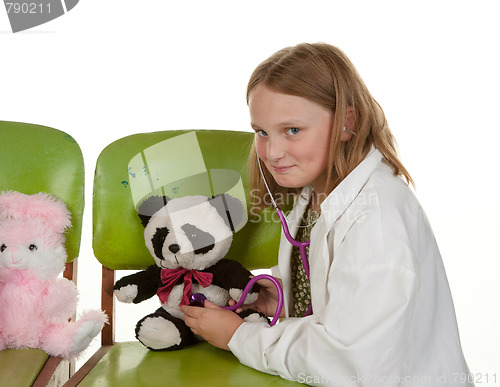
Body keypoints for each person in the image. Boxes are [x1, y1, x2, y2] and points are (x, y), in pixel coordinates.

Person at [181, 43, 472, 386]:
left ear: (347, 122)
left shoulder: (376, 221)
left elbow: (352, 364)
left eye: (292, 130)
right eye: (261, 131)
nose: (272, 153)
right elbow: (339, 295)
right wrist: (283, 297)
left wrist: (238, 337)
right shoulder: (316, 193)